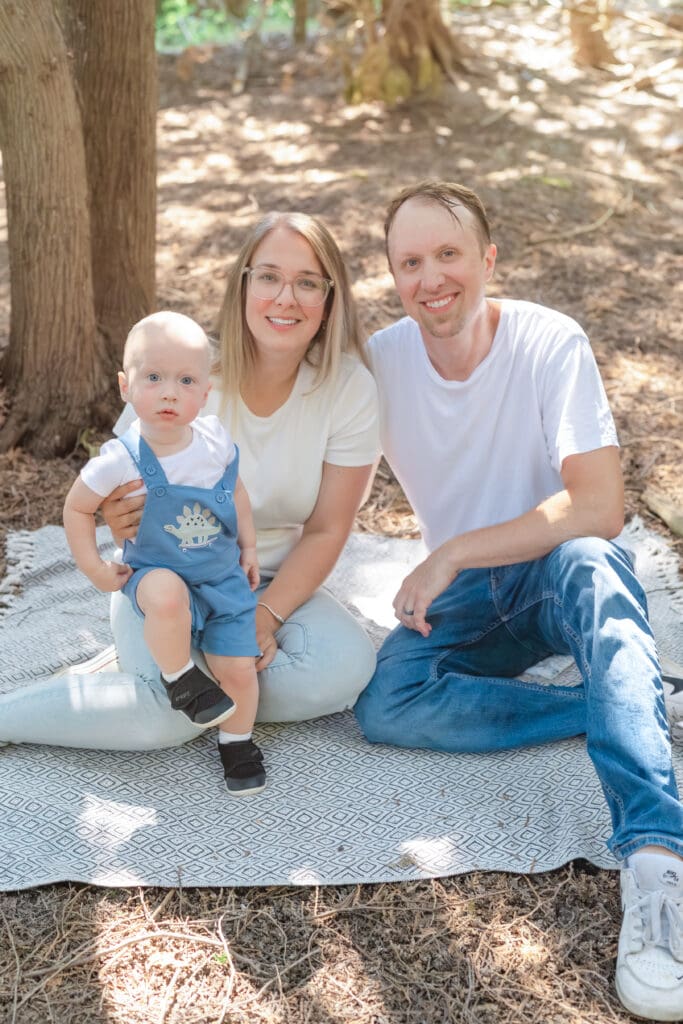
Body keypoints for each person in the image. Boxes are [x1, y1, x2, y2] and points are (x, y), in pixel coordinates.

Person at [353, 180, 683, 1022]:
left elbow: (599, 506)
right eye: (410, 262)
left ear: (487, 259)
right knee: (389, 701)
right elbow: (304, 476)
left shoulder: (547, 340)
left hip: (552, 571)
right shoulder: (380, 362)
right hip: (468, 601)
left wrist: (452, 549)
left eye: (449, 254)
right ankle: (612, 702)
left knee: (592, 562)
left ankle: (654, 865)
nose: (432, 278)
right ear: (392, 277)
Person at [0, 212, 379, 779]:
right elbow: (116, 493)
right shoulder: (184, 372)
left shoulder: (348, 388)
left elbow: (328, 529)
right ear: (243, 284)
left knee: (346, 668)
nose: (286, 297)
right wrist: (115, 511)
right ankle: (38, 711)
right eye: (269, 276)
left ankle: (180, 686)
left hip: (264, 580)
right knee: (164, 720)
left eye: (308, 282)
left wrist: (265, 617)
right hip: (166, 583)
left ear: (329, 300)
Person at [63, 311, 267, 795]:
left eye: (185, 380)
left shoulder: (214, 441)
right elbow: (76, 509)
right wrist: (93, 567)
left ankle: (236, 742)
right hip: (156, 571)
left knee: (239, 669)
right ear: (125, 386)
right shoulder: (121, 457)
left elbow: (235, 493)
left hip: (220, 578)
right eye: (153, 378)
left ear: (205, 392)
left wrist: (250, 544)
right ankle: (180, 677)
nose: (169, 392)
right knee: (165, 592)